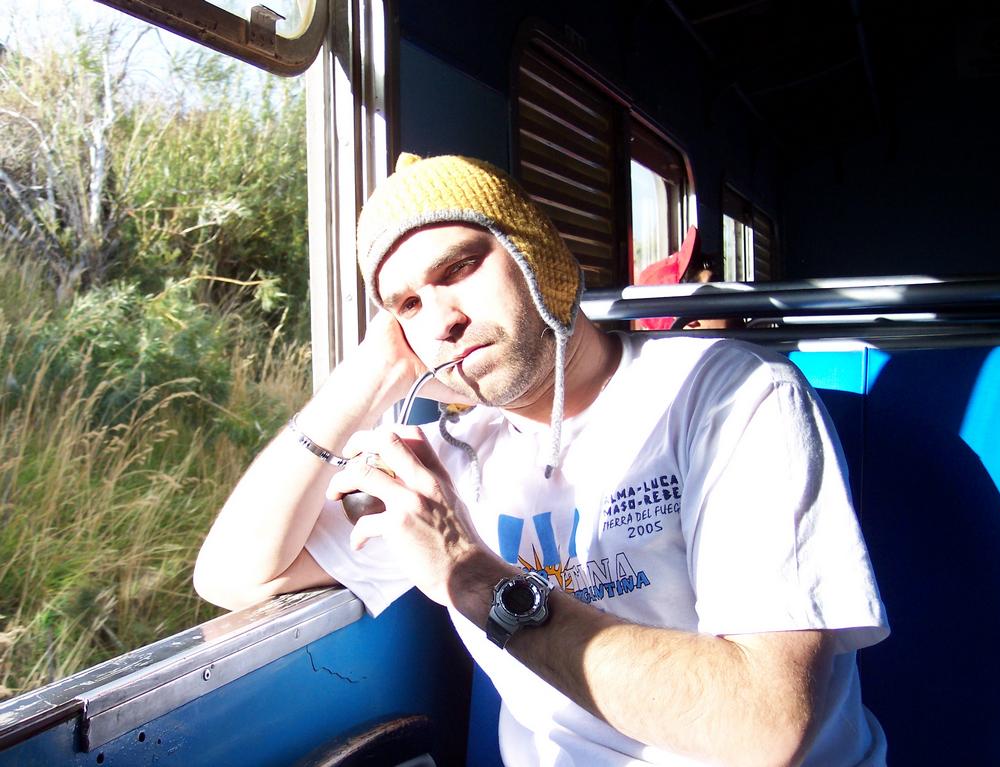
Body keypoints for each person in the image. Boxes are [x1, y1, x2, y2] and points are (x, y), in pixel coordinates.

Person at [194, 153, 888, 766]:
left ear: (535, 253)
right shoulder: (444, 465)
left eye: (459, 268)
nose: (442, 320)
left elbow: (764, 726)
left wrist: (470, 575)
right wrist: (365, 382)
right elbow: (236, 574)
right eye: (407, 304)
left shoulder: (727, 394)